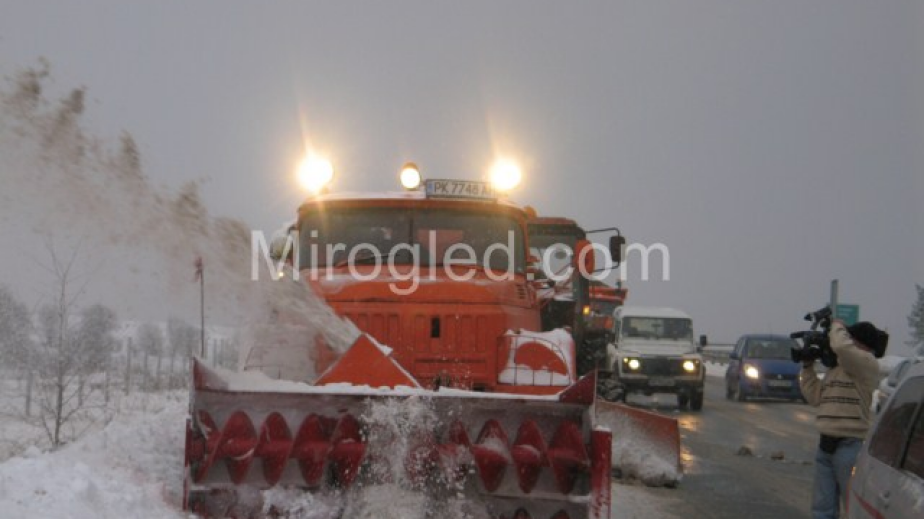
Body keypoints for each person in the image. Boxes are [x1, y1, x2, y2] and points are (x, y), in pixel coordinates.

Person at [799, 320, 887, 519]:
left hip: (849, 448)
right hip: (825, 446)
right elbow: (815, 397)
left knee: (854, 508)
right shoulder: (836, 370)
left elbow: (841, 346)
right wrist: (807, 367)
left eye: (850, 338)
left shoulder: (867, 364)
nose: (845, 341)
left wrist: (837, 325)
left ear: (862, 344)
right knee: (822, 510)